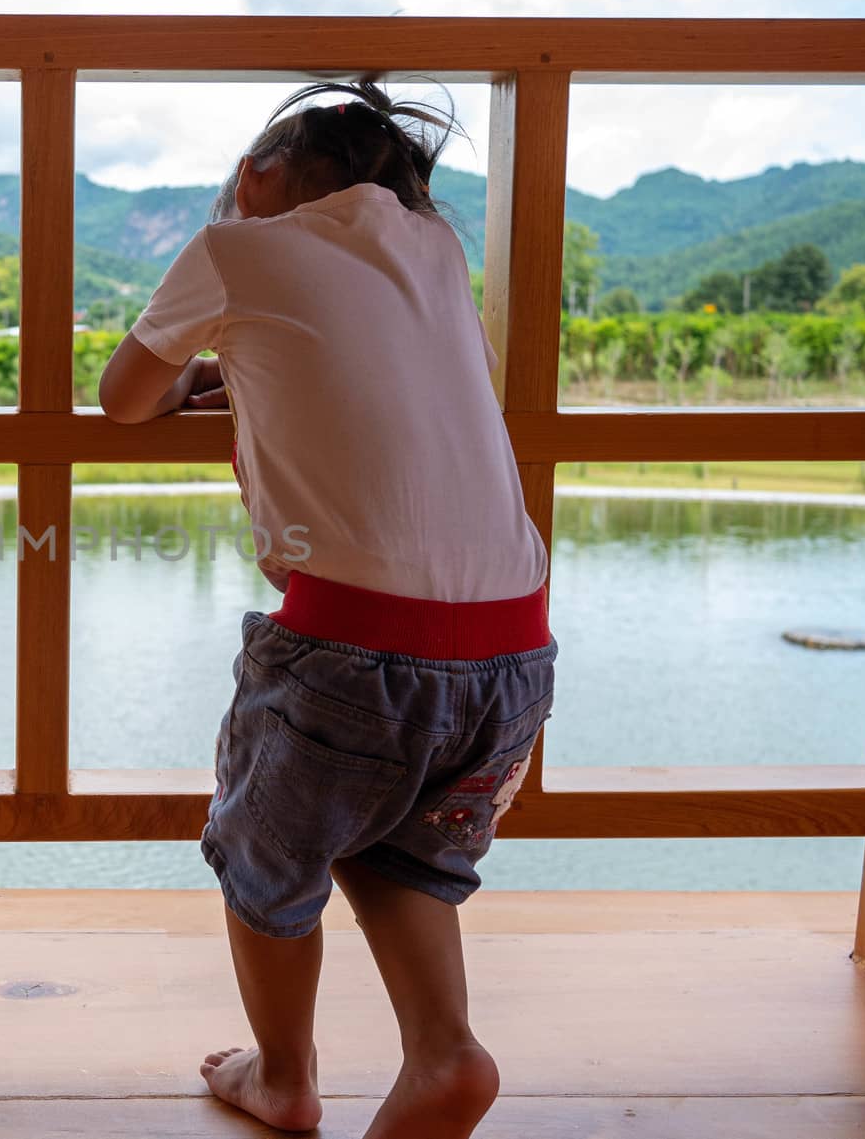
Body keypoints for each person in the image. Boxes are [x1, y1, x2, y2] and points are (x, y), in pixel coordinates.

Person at [97, 79, 556, 1138]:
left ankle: (285, 1075)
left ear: (256, 174)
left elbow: (124, 398)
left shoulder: (232, 249)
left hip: (353, 647)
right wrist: (246, 373)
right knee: (399, 847)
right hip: (512, 647)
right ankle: (445, 1050)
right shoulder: (434, 253)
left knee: (264, 857)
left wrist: (195, 376)